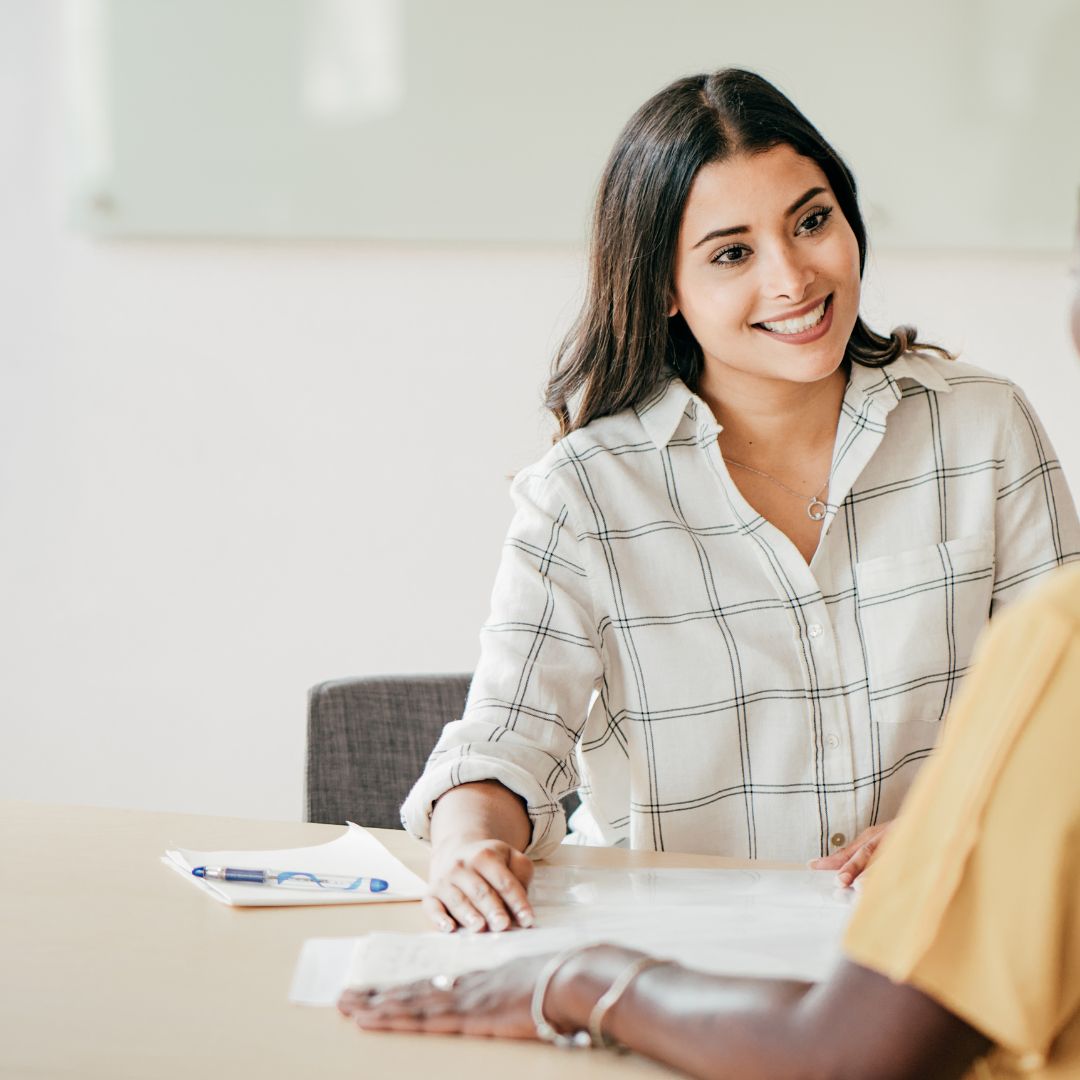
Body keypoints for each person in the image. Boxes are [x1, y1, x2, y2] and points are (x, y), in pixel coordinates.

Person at [400, 68, 1080, 935]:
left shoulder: (981, 425)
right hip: (686, 962)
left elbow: (1067, 718)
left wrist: (953, 830)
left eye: (811, 221)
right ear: (663, 289)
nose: (794, 278)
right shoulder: (585, 495)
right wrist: (467, 843)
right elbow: (504, 743)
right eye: (732, 253)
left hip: (941, 939)